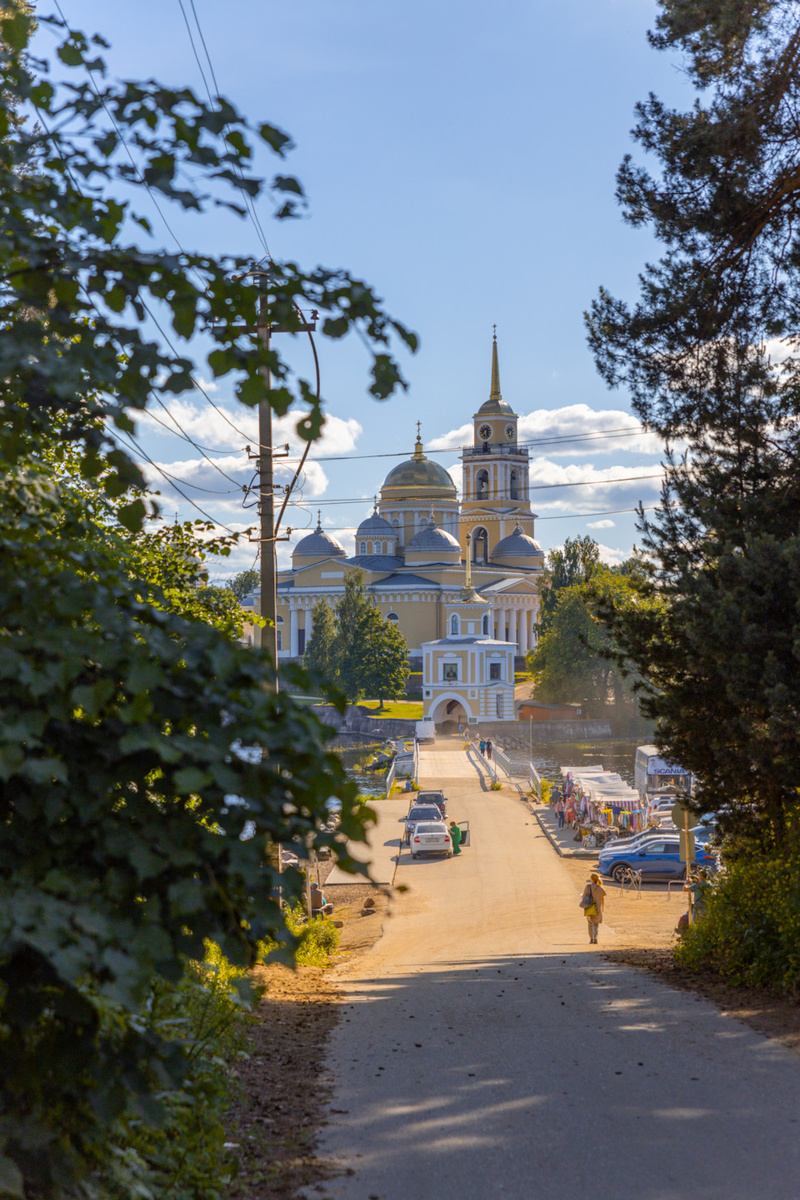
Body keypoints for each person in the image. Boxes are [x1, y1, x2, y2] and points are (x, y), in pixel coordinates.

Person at [580, 872, 606, 944]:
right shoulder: (600, 888)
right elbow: (603, 896)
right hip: (597, 909)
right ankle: (595, 937)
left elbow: (583, 896)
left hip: (589, 907)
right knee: (596, 924)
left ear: (591, 879)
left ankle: (591, 939)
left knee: (590, 923)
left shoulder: (588, 887)